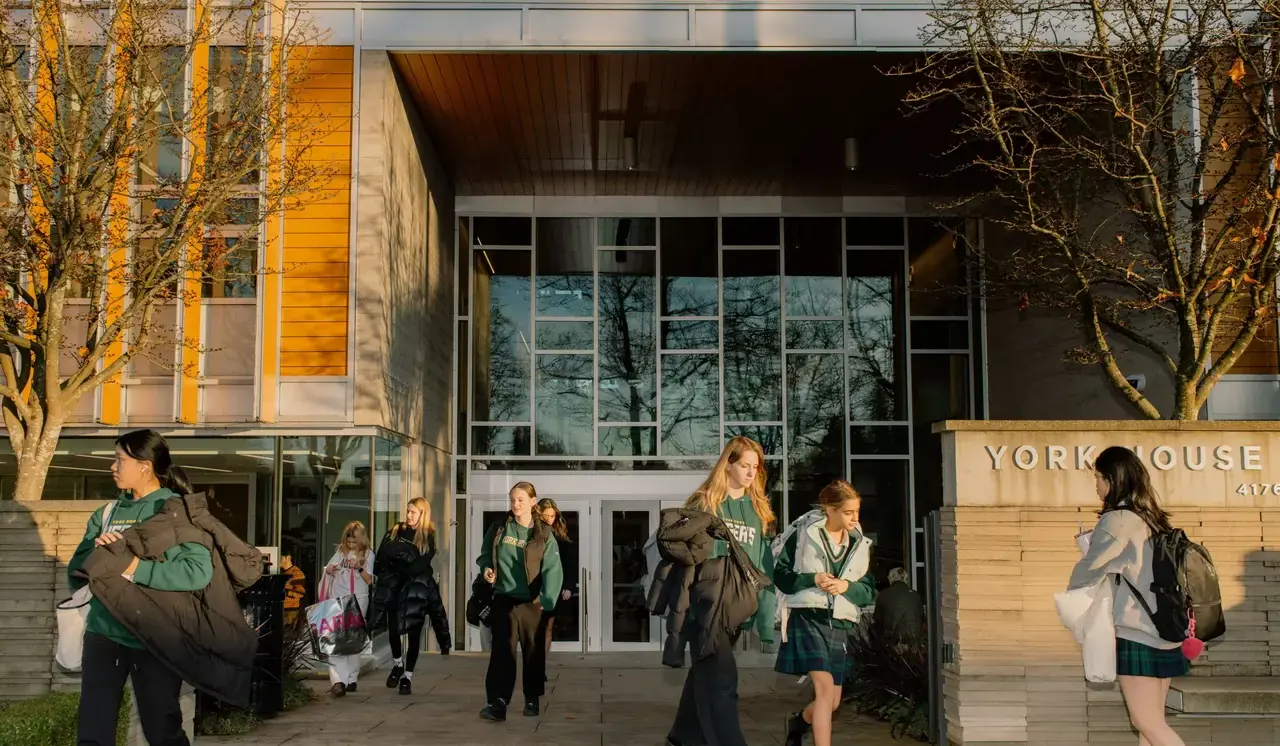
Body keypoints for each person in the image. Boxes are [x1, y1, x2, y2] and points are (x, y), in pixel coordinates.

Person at [69, 429, 215, 746]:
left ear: (145, 465)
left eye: (119, 459)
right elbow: (75, 572)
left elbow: (197, 572)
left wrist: (134, 567)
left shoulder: (175, 511)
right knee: (92, 732)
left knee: (162, 730)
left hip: (155, 635)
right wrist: (96, 556)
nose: (112, 466)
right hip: (104, 632)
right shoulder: (106, 513)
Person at [1068, 446, 1188, 746]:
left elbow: (1087, 572)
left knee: (1146, 722)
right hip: (1164, 627)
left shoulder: (1118, 520)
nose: (1096, 484)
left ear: (1112, 479)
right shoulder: (1151, 517)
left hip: (1139, 631)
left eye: (1098, 477)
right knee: (1151, 725)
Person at [666, 436, 776, 746]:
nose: (751, 472)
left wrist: (763, 617)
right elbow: (680, 548)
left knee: (705, 674)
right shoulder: (705, 503)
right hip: (706, 606)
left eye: (756, 466)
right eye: (744, 465)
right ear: (728, 464)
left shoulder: (757, 509)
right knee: (723, 682)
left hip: (737, 608)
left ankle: (681, 736)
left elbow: (761, 565)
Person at [774, 480, 877, 746]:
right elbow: (782, 576)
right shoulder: (802, 536)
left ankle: (799, 723)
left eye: (857, 512)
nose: (855, 518)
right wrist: (813, 579)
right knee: (824, 688)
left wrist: (846, 586)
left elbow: (868, 590)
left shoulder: (860, 545)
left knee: (832, 701)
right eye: (848, 512)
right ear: (829, 510)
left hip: (841, 623)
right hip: (808, 616)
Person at [477, 481, 563, 722]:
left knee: (533, 653)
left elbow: (553, 569)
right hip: (504, 599)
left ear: (533, 502)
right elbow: (485, 555)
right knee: (502, 653)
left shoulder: (543, 533)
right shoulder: (499, 527)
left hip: (531, 602)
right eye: (512, 499)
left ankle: (532, 699)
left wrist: (546, 600)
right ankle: (498, 702)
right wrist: (487, 570)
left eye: (521, 500)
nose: (515, 504)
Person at [369, 497, 451, 695]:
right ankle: (397, 664)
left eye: (413, 512)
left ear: (422, 514)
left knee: (414, 634)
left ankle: (407, 676)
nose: (408, 515)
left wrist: (396, 560)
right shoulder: (396, 530)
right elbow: (380, 560)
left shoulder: (428, 535)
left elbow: (417, 567)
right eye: (407, 511)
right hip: (394, 590)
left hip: (416, 592)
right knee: (393, 631)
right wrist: (400, 561)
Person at [323, 521, 375, 697]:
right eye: (348, 541)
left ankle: (351, 678)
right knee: (335, 641)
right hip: (337, 600)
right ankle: (338, 681)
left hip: (357, 601)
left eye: (354, 541)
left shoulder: (368, 554)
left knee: (353, 642)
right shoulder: (340, 552)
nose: (351, 545)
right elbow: (328, 570)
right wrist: (329, 570)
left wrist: (359, 567)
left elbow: (370, 580)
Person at [537, 497, 576, 656]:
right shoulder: (530, 534)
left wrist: (568, 586)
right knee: (534, 629)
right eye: (546, 516)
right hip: (533, 588)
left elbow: (569, 564)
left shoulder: (560, 537)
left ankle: (540, 664)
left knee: (547, 627)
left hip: (553, 589)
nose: (549, 520)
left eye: (552, 516)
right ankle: (532, 663)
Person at [873, 567, 925, 645]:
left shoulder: (884, 594)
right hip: (913, 643)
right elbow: (921, 618)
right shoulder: (915, 595)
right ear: (906, 580)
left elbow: (877, 619)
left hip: (891, 642)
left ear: (891, 579)